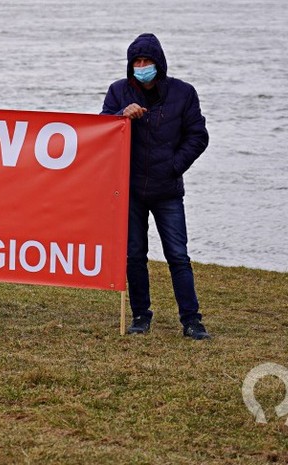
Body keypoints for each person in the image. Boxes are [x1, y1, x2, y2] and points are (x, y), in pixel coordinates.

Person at [101, 33, 210, 339]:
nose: (142, 66)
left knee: (178, 256)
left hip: (168, 191)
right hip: (130, 191)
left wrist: (174, 167)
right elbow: (102, 131)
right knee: (134, 255)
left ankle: (191, 321)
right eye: (136, 61)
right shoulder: (118, 91)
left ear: (159, 63)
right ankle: (140, 316)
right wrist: (122, 117)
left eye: (147, 61)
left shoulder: (184, 93)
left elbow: (198, 136)